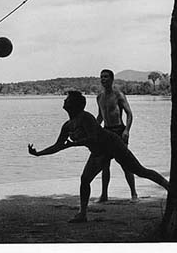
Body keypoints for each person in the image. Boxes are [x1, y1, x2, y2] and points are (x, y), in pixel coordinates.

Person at [28, 90, 169, 223]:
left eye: (67, 99)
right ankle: (82, 213)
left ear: (75, 105)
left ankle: (169, 187)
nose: (64, 101)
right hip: (99, 152)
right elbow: (58, 145)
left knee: (139, 170)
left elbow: (93, 138)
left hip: (113, 144)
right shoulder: (67, 126)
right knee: (85, 179)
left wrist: (74, 144)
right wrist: (38, 153)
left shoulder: (86, 117)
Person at [96, 69, 137, 202]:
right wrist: (94, 129)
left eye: (106, 77)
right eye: (101, 77)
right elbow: (100, 116)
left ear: (112, 79)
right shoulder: (99, 97)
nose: (103, 79)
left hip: (119, 130)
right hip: (106, 131)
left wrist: (127, 130)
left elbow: (129, 114)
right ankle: (104, 195)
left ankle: (134, 194)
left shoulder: (118, 95)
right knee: (104, 164)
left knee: (126, 163)